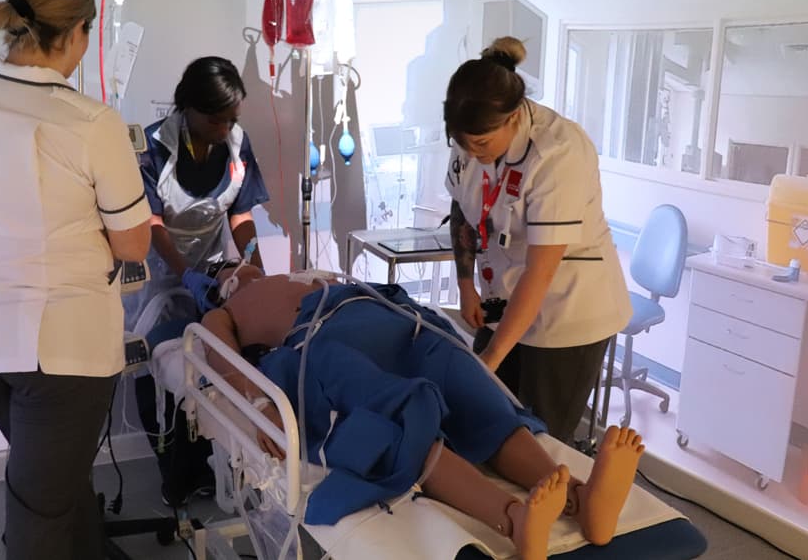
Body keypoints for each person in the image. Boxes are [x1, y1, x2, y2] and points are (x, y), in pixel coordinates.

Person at [0, 0, 151, 560]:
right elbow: (133, 244)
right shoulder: (91, 124)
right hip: (63, 353)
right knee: (39, 510)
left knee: (56, 481)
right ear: (76, 32)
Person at [198, 268, 645, 560]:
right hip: (318, 342)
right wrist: (259, 405)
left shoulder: (314, 276)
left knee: (464, 382)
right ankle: (513, 518)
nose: (243, 269)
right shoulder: (227, 310)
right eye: (228, 271)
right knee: (397, 415)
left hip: (392, 321)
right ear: (222, 284)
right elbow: (219, 355)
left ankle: (581, 499)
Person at [443, 37, 632, 441]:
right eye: (462, 142)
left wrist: (493, 356)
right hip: (506, 297)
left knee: (536, 441)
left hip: (566, 310)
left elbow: (541, 271)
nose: (471, 152)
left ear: (513, 118)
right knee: (483, 420)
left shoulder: (557, 152)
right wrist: (466, 286)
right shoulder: (470, 136)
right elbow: (462, 208)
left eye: (481, 144)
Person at [124, 56, 270, 333]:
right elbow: (152, 222)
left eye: (232, 119)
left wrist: (258, 272)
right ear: (189, 108)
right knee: (158, 352)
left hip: (209, 275)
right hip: (156, 277)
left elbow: (240, 215)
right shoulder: (153, 148)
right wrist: (186, 275)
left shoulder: (238, 144)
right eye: (216, 121)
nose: (225, 129)